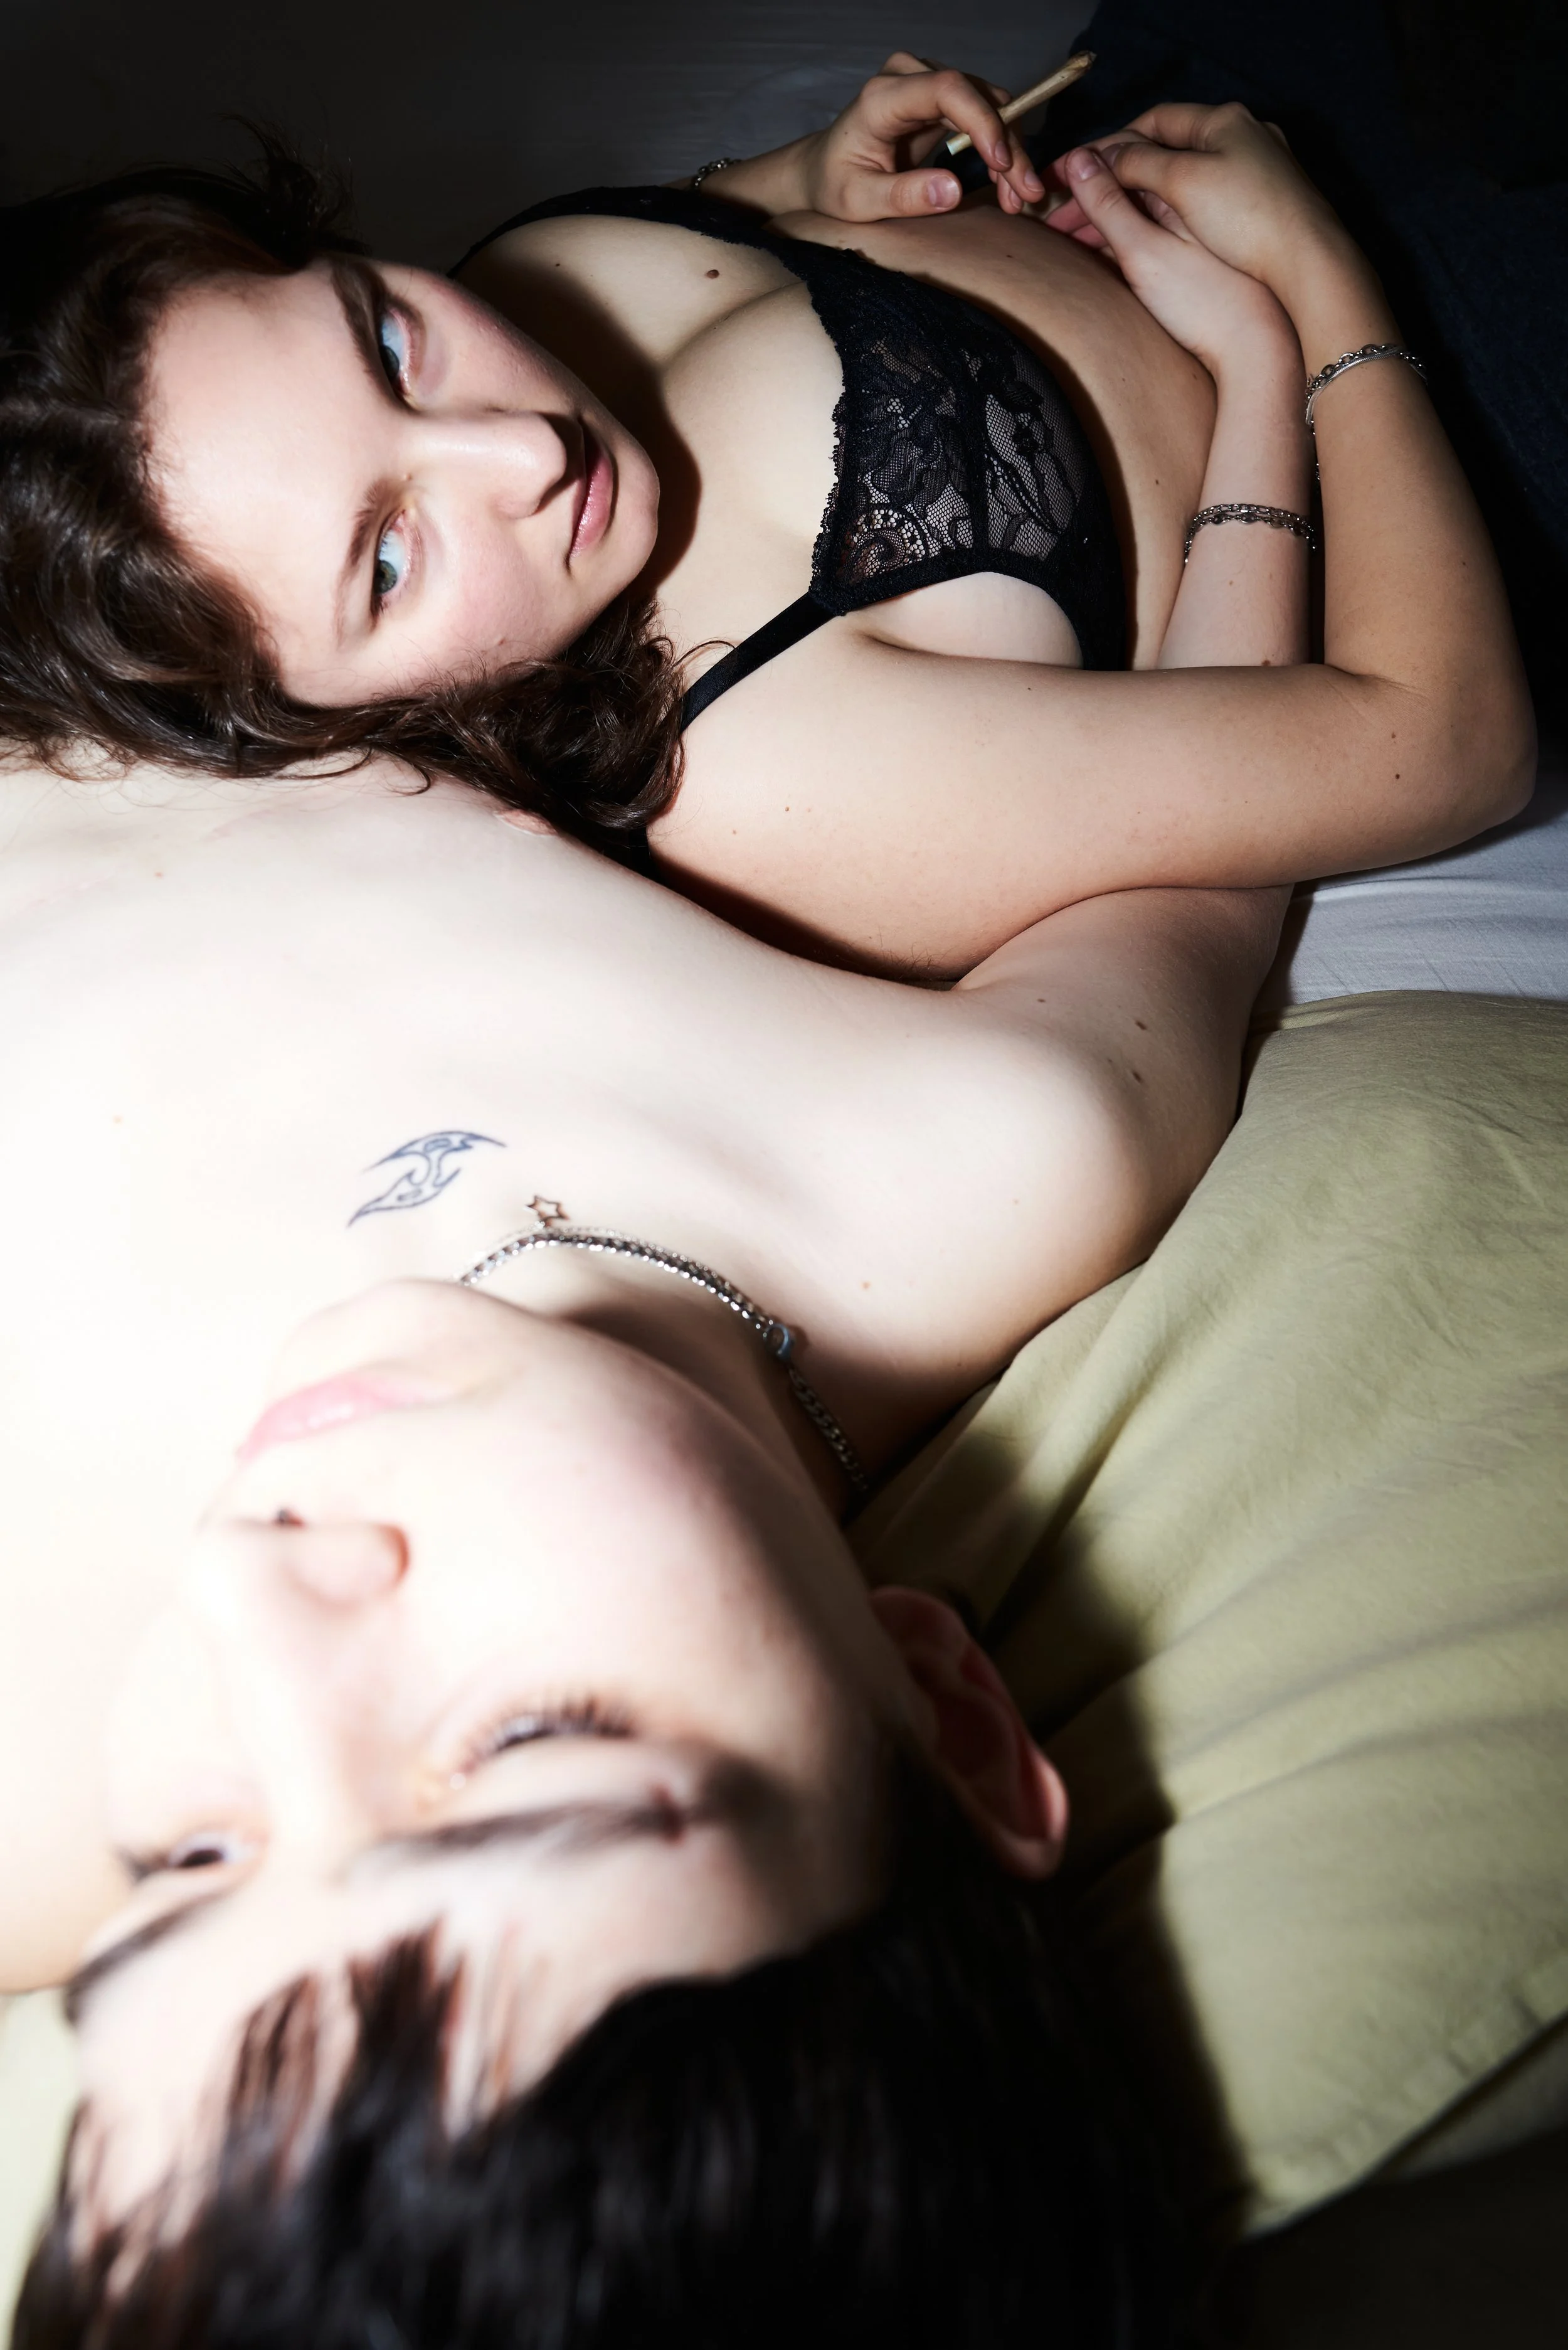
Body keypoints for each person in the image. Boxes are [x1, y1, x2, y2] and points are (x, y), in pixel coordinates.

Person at [0, 65, 1532, 976]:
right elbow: (1444, 740)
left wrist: (813, 172)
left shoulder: (512, 291)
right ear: (300, 720)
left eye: (387, 341)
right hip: (1457, 421)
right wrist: (1310, 303)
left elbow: (750, 231)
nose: (519, 446)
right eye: (389, 559)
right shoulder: (761, 775)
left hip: (1173, 121)